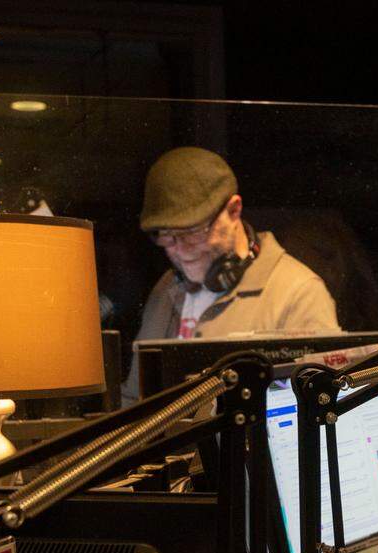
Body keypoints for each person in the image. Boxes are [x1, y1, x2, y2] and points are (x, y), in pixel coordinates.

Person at [122, 147, 339, 403]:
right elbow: (135, 397)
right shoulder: (167, 285)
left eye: (193, 231)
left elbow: (320, 410)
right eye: (166, 235)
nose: (180, 249)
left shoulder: (299, 293)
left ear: (234, 210)